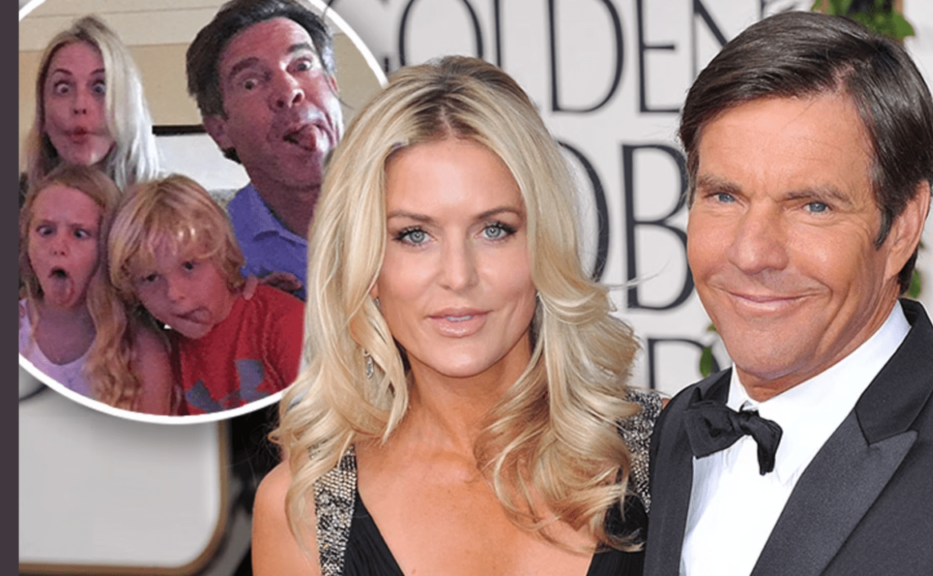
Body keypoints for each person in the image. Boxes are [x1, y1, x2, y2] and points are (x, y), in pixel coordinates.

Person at [251, 56, 663, 575]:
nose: (458, 275)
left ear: (543, 245)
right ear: (366, 265)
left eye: (494, 229)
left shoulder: (664, 449)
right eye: (414, 235)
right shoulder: (306, 507)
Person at [643, 11, 933, 576]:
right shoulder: (675, 430)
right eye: (724, 196)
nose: (752, 254)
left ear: (903, 226)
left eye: (813, 206)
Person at [185, 0, 344, 301]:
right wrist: (241, 320)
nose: (289, 90)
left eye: (302, 65)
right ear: (220, 130)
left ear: (333, 87)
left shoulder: (420, 186)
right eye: (250, 83)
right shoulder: (213, 251)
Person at [108, 175, 305, 415]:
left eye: (189, 266)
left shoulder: (284, 324)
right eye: (150, 278)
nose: (173, 294)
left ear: (223, 253)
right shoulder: (154, 355)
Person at [19, 164, 173, 414]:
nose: (58, 246)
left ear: (107, 246)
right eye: (45, 231)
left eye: (79, 234)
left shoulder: (142, 350)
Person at [22, 15, 159, 201]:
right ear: (42, 112)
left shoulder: (170, 211)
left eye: (100, 88)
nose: (80, 105)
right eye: (63, 88)